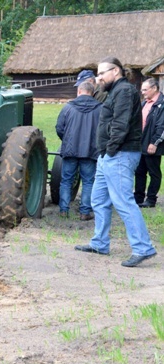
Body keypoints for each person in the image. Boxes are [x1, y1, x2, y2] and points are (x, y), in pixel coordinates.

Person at [75, 57, 157, 267]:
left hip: (119, 154)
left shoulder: (125, 91)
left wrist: (111, 149)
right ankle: (100, 243)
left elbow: (120, 124)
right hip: (108, 155)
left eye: (102, 73)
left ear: (116, 71)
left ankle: (143, 248)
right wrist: (105, 152)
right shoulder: (114, 91)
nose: (98, 77)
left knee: (123, 201)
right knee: (98, 199)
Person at [55, 81, 102, 220]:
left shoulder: (68, 107)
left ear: (79, 92)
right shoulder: (100, 108)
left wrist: (67, 140)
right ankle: (85, 212)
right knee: (88, 181)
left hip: (70, 150)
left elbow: (59, 128)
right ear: (92, 93)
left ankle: (63, 210)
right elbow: (104, 130)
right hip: (90, 151)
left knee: (66, 180)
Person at [134, 78, 164, 208]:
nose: (143, 92)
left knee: (154, 172)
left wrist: (154, 143)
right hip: (140, 144)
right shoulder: (144, 103)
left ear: (154, 88)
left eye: (145, 90)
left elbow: (162, 126)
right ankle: (138, 198)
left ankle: (151, 199)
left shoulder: (162, 104)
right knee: (139, 172)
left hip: (152, 144)